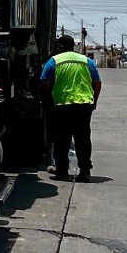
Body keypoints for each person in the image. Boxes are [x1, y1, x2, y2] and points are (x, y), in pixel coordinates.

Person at [40, 34, 102, 182]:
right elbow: (97, 82)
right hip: (84, 105)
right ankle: (85, 171)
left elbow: (45, 83)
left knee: (62, 139)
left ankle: (62, 171)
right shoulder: (87, 61)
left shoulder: (54, 61)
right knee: (83, 139)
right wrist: (94, 101)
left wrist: (47, 101)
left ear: (60, 47)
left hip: (62, 105)